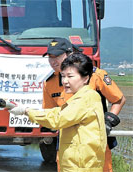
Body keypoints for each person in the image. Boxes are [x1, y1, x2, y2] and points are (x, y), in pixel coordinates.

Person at [11, 53, 107, 171]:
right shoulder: (79, 98)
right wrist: (26, 110)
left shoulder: (86, 98)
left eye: (70, 76)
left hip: (81, 167)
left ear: (85, 78)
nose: (65, 81)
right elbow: (57, 112)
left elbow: (58, 119)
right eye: (63, 76)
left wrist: (26, 111)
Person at [42, 38, 126, 171]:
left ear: (69, 54)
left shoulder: (94, 75)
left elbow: (118, 99)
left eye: (57, 56)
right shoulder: (49, 83)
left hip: (95, 142)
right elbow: (49, 112)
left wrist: (107, 122)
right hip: (67, 145)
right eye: (50, 57)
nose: (53, 61)